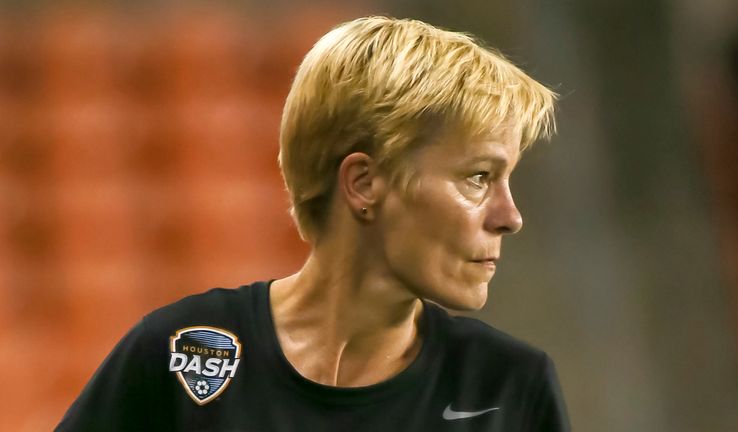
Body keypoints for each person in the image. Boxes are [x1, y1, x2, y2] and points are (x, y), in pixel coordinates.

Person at [57, 16, 569, 431]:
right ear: (365, 183)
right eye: (478, 177)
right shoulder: (180, 351)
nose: (511, 217)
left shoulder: (511, 389)